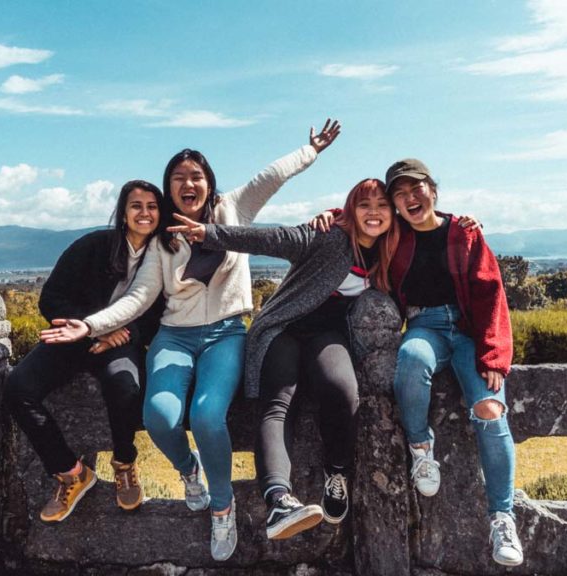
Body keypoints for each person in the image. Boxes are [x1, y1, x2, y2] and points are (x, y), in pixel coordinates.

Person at [38, 120, 341, 561]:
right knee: (159, 416)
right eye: (178, 178)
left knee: (206, 414)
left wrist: (310, 150)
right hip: (175, 337)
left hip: (225, 333)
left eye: (196, 175)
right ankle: (189, 470)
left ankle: (223, 507)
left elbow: (271, 176)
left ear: (209, 182)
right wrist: (90, 325)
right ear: (169, 188)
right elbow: (139, 298)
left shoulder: (234, 209)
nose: (188, 183)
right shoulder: (164, 241)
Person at [169, 178, 398, 540]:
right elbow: (271, 239)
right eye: (364, 205)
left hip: (328, 336)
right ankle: (278, 500)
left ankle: (335, 471)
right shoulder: (329, 237)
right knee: (278, 403)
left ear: (393, 212)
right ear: (351, 209)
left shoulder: (391, 251)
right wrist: (210, 233)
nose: (374, 213)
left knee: (342, 392)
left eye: (382, 205)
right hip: (284, 327)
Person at [384, 158, 523, 567]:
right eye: (400, 194)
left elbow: (490, 292)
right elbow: (359, 216)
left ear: (433, 189)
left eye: (416, 188)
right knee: (410, 359)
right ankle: (420, 448)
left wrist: (494, 354)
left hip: (467, 330)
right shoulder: (395, 238)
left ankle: (502, 518)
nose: (410, 199)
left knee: (490, 410)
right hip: (424, 325)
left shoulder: (463, 233)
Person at [3, 180, 166, 522]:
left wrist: (129, 333)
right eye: (137, 205)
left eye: (152, 206)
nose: (145, 213)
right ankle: (71, 472)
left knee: (125, 386)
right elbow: (51, 298)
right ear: (123, 212)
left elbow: (161, 313)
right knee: (18, 388)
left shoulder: (165, 256)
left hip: (122, 342)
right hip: (76, 337)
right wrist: (93, 330)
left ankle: (124, 463)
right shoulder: (93, 246)